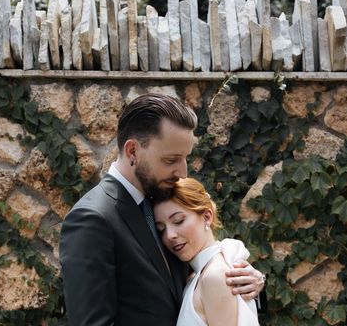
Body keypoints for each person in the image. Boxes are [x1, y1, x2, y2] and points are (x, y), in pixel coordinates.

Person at [60, 93, 265, 326]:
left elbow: (198, 283)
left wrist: (251, 283)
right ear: (132, 152)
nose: (182, 172)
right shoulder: (93, 219)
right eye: (171, 160)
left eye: (185, 158)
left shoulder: (160, 203)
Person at [154, 177, 260, 326]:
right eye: (161, 229)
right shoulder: (196, 275)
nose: (170, 235)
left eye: (178, 221)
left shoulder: (215, 276)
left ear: (207, 216)